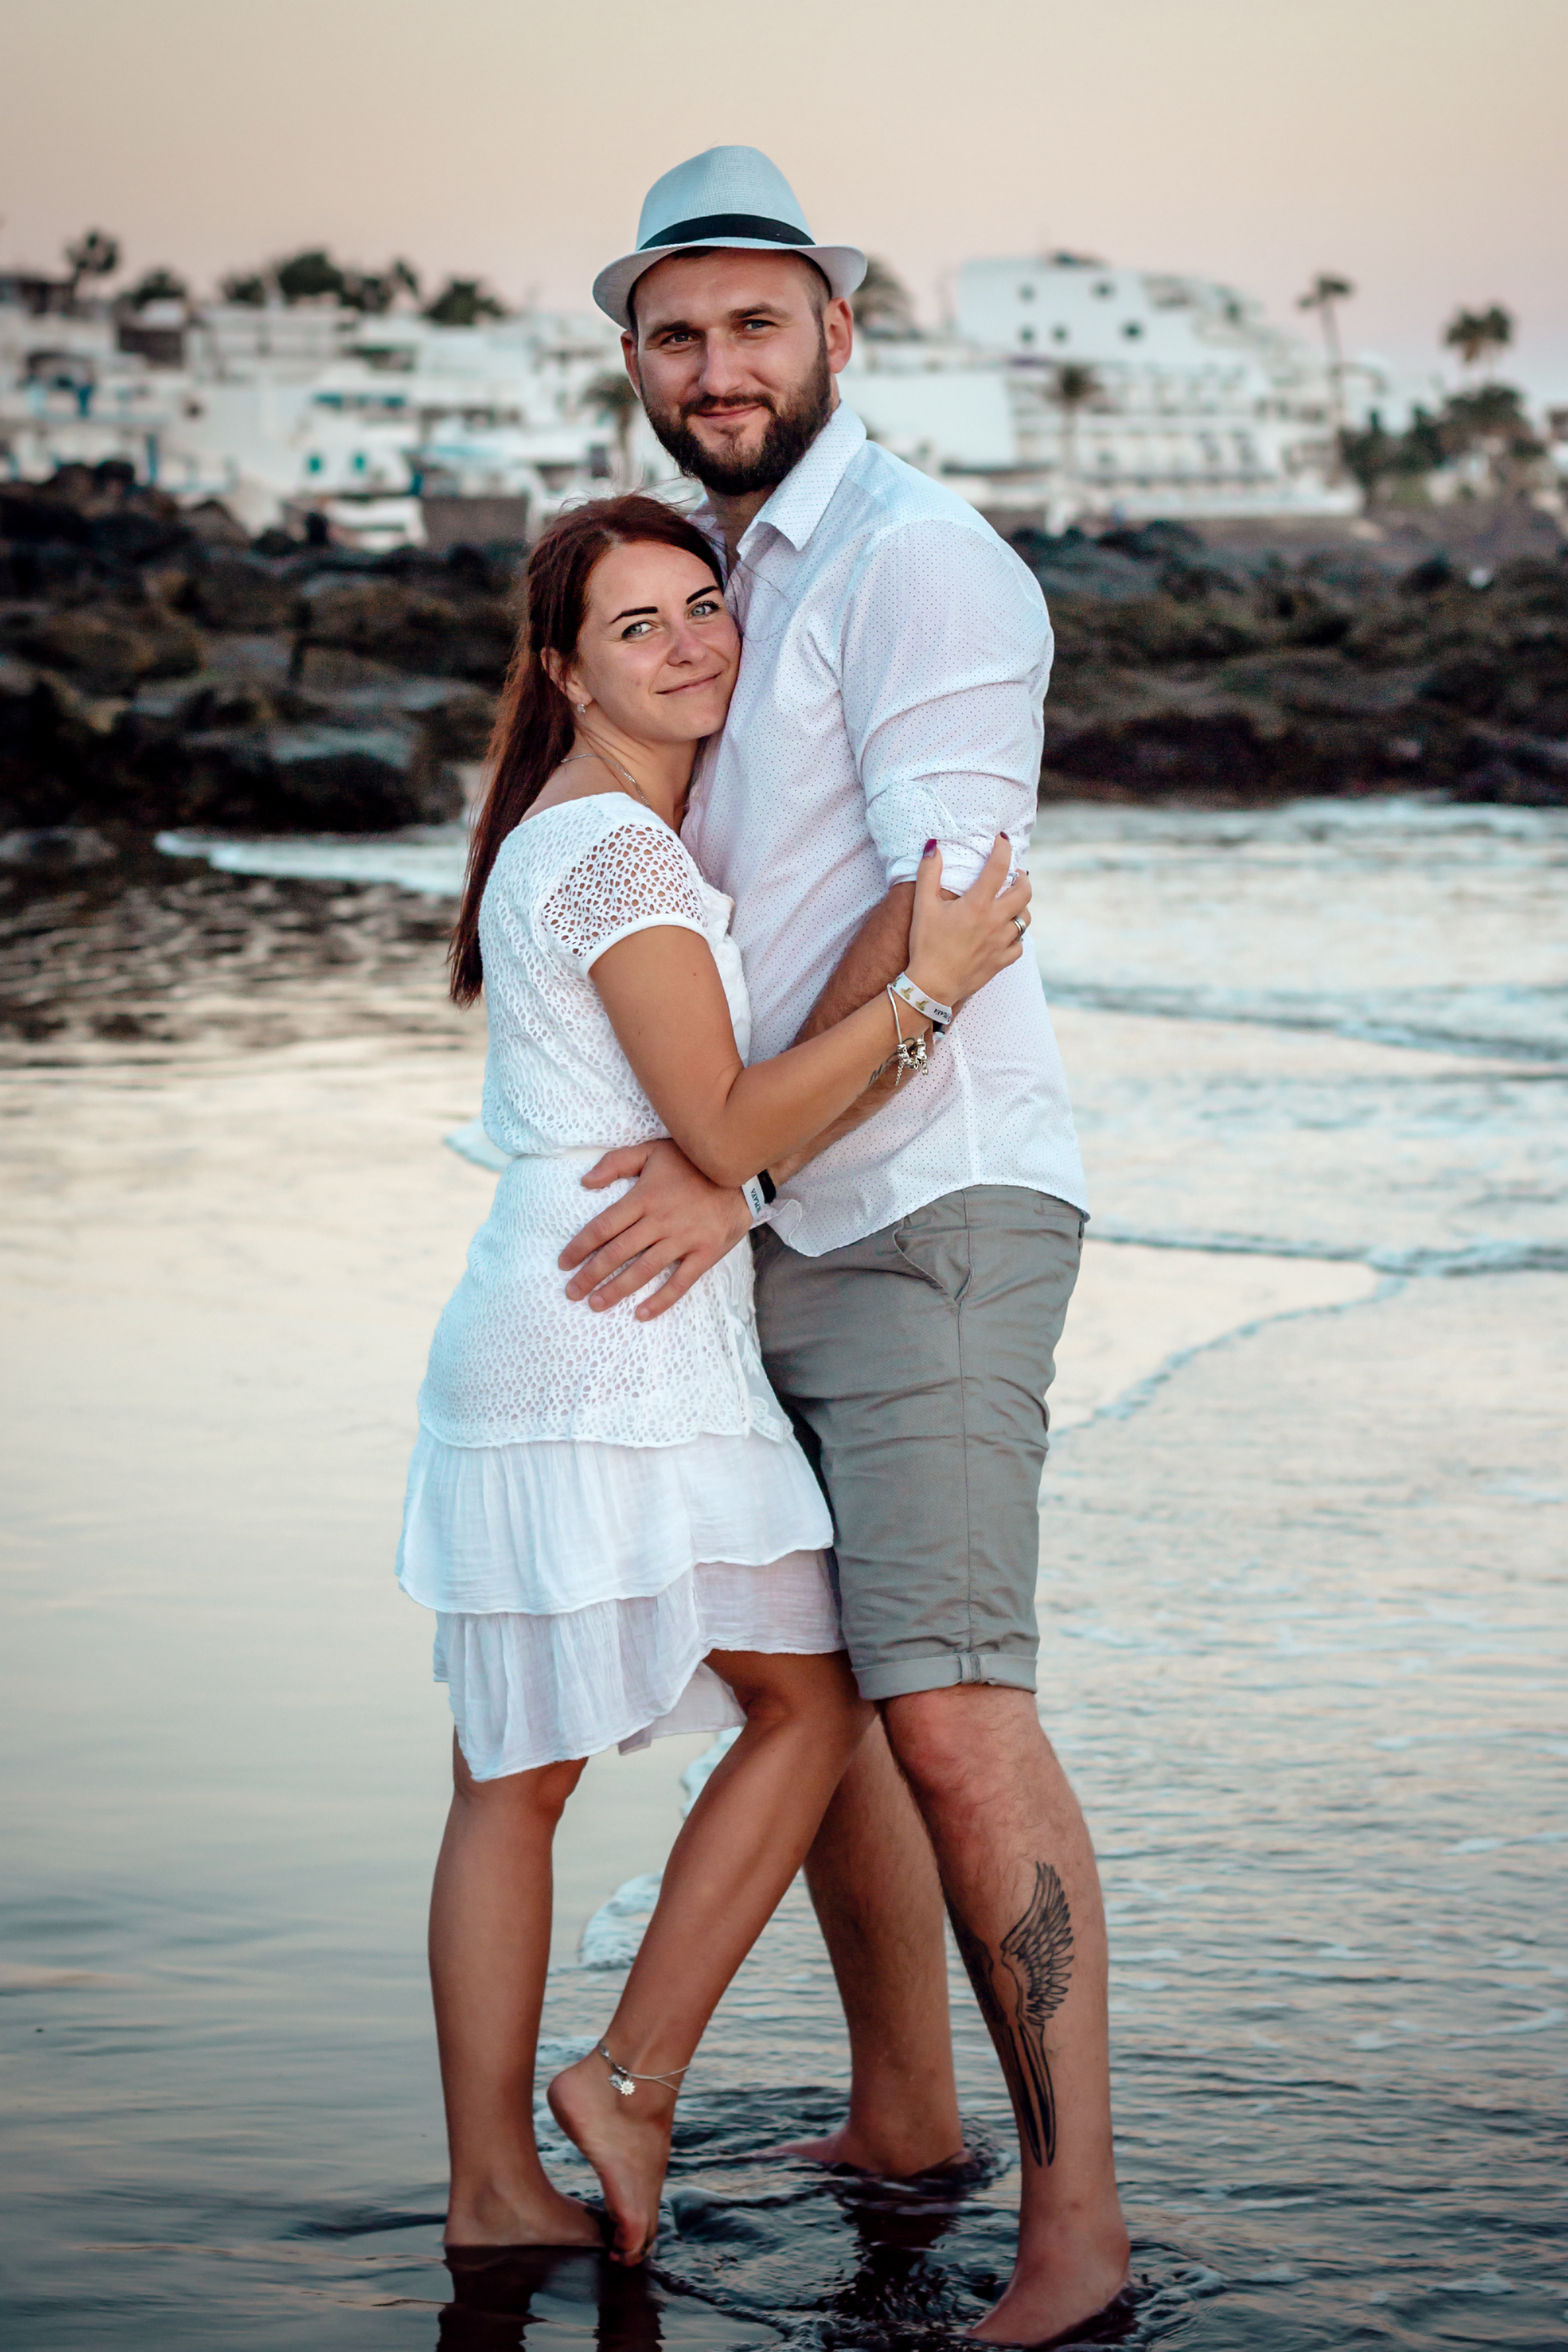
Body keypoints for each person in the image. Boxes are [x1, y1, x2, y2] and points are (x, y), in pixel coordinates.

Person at [558, 148, 1131, 2344]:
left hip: (929, 1207)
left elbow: (952, 913)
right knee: (825, 1690)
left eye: (756, 326)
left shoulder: (919, 567)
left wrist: (740, 1153)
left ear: (836, 337)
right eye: (679, 335)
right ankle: (908, 2119)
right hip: (785, 1207)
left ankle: (1078, 2238)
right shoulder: (719, 579)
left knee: (960, 1702)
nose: (719, 367)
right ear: (639, 360)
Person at [396, 493, 1031, 2266]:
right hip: (614, 1347)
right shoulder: (613, 855)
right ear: (562, 673)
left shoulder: (573, 839)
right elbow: (731, 1124)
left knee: (511, 1781)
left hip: (557, 1327)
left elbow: (709, 1125)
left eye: (703, 607)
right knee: (813, 1702)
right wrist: (937, 984)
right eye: (637, 627)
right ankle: (626, 2076)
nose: (690, 644)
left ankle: (492, 2190)